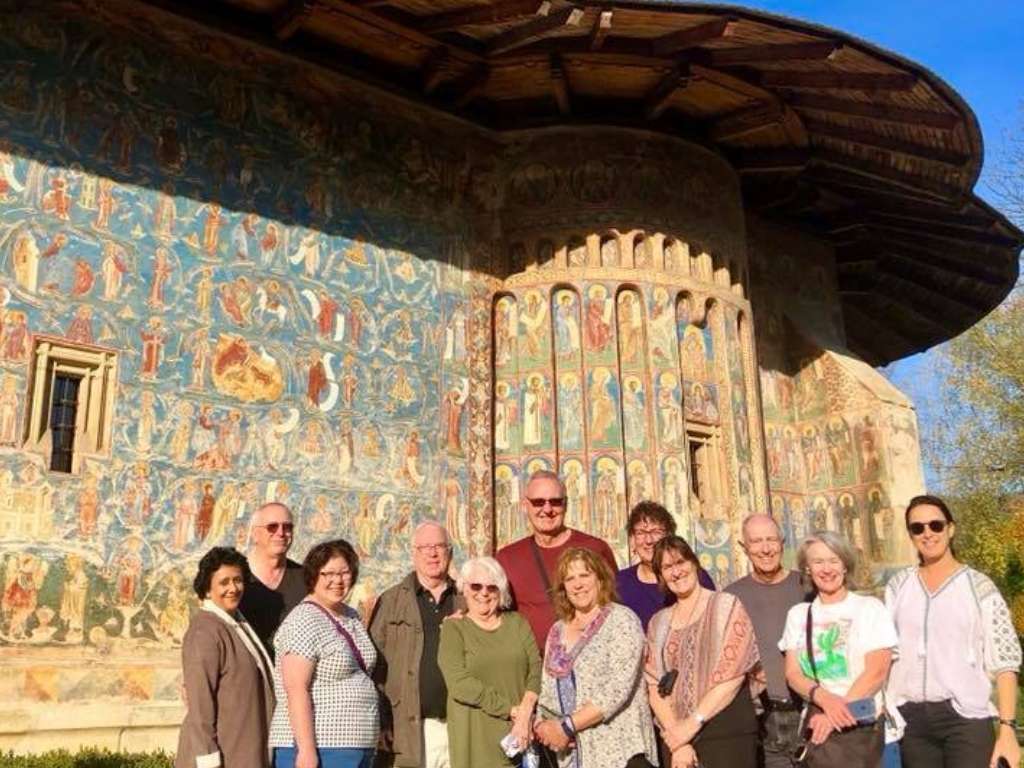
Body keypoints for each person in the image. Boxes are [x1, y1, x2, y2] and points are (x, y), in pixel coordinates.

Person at [886, 495, 1021, 768]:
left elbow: (1005, 663)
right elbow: (884, 651)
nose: (927, 533)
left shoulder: (979, 586)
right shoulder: (898, 586)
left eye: (936, 525)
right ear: (910, 535)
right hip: (910, 721)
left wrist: (1007, 729)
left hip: (965, 719)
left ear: (951, 529)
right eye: (917, 527)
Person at [779, 531, 897, 768]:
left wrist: (834, 715)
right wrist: (824, 699)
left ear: (845, 565)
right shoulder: (799, 615)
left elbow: (876, 671)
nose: (827, 569)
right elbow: (793, 673)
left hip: (865, 729)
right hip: (821, 733)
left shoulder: (870, 608)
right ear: (807, 569)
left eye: (834, 560)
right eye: (818, 561)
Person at [534, 548, 657, 768]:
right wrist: (543, 725)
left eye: (584, 575)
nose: (577, 584)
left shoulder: (622, 620)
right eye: (570, 579)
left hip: (620, 752)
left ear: (600, 579)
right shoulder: (557, 630)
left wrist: (567, 726)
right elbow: (547, 689)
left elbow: (616, 690)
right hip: (573, 756)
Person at [646, 536, 762, 768]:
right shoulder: (658, 622)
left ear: (694, 563)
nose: (676, 572)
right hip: (676, 740)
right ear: (660, 576)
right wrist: (678, 740)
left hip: (725, 733)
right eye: (667, 567)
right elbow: (653, 684)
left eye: (681, 562)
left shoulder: (726, 606)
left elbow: (733, 674)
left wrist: (692, 723)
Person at [269, 539, 378, 768]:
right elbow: (296, 688)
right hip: (322, 748)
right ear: (313, 576)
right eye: (327, 573)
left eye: (344, 572)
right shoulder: (304, 619)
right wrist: (307, 751)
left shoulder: (350, 616)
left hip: (355, 746)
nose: (337, 580)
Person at [370, 522, 462, 768]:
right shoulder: (391, 601)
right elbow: (373, 666)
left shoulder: (466, 599)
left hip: (460, 726)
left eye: (439, 546)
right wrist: (381, 721)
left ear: (450, 553)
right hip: (409, 727)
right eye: (425, 547)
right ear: (414, 553)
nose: (433, 553)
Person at [176, 547, 275, 768]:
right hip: (222, 756)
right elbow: (200, 705)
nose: (233, 588)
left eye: (238, 580)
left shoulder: (236, 623)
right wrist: (208, 760)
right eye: (224, 582)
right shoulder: (205, 631)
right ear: (207, 589)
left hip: (243, 748)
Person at [438, 556, 541, 768]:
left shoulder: (517, 623)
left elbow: (536, 668)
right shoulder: (454, 629)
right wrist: (511, 710)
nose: (484, 593)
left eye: (492, 587)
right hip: (476, 740)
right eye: (476, 586)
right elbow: (459, 684)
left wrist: (525, 713)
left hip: (521, 735)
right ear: (464, 589)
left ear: (500, 592)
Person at [496, 469, 617, 649]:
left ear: (566, 504)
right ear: (524, 505)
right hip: (534, 668)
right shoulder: (507, 557)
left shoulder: (594, 548)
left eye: (555, 502)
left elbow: (615, 604)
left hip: (589, 661)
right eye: (538, 502)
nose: (547, 509)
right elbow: (491, 610)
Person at [725, 514, 807, 768]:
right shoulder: (731, 598)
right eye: (757, 541)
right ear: (743, 547)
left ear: (782, 542)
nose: (766, 548)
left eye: (771, 539)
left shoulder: (808, 587)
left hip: (810, 710)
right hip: (764, 718)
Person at [616, 501, 715, 631]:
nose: (649, 540)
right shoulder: (619, 583)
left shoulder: (691, 577)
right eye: (641, 533)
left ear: (669, 535)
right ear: (632, 539)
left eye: (656, 531)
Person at [239, 501, 306, 658]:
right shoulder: (234, 577)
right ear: (255, 534)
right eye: (272, 527)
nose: (281, 533)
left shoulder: (306, 579)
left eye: (287, 527)